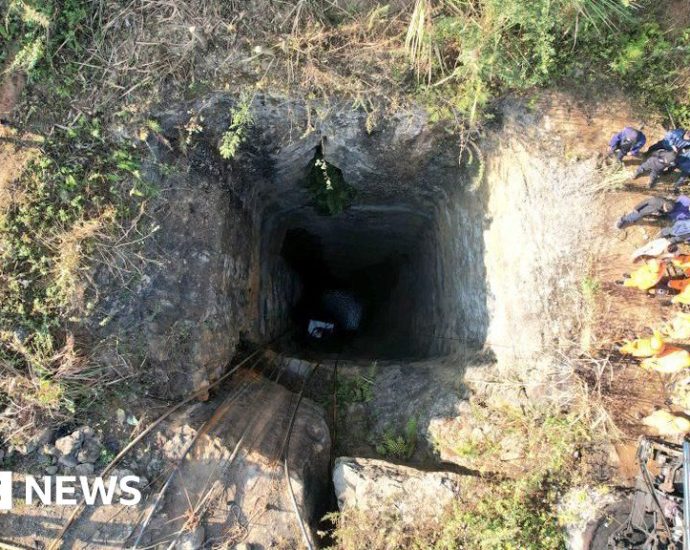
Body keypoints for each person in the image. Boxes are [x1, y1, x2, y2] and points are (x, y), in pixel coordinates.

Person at [616, 194, 690, 229]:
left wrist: (661, 213)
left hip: (664, 213)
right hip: (646, 210)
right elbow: (646, 202)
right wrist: (637, 208)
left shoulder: (686, 213)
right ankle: (624, 219)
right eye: (665, 209)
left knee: (655, 216)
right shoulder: (655, 201)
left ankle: (647, 216)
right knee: (637, 214)